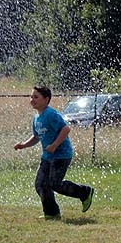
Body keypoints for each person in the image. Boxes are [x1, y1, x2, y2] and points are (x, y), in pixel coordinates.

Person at [13, 85, 94, 220]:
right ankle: (52, 213)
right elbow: (36, 137)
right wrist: (23, 145)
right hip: (47, 157)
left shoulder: (51, 114)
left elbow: (66, 129)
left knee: (54, 183)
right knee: (41, 184)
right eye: (31, 96)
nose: (32, 99)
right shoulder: (36, 118)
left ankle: (84, 192)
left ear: (46, 99)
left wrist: (55, 145)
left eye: (36, 97)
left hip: (61, 155)